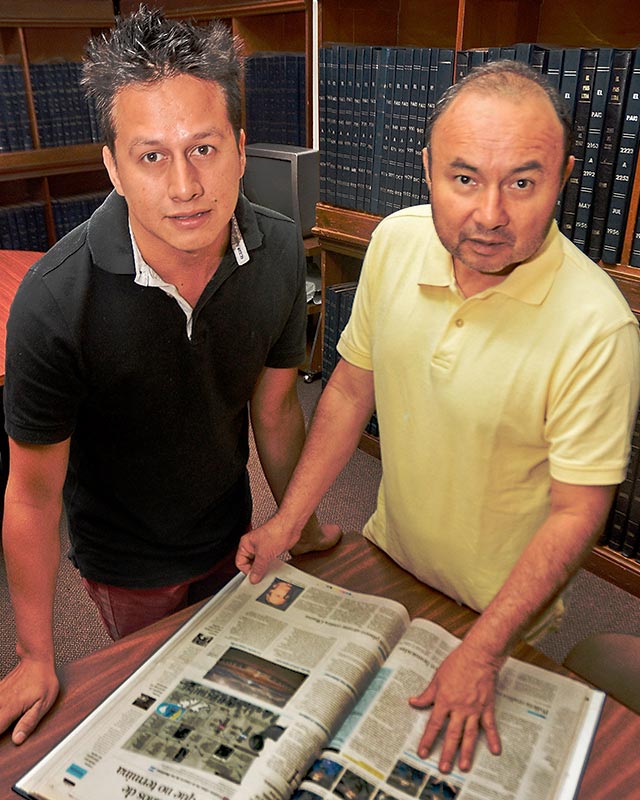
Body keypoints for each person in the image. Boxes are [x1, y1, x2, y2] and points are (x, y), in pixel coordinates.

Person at [237, 60, 640, 773]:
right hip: (387, 556)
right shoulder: (395, 240)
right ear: (427, 170)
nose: (490, 214)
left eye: (523, 183)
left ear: (563, 178)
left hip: (498, 613)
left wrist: (482, 653)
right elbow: (348, 392)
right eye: (464, 178)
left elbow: (579, 512)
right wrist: (289, 520)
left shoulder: (600, 329)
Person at [0, 6, 339, 746]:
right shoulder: (54, 302)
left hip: (231, 528)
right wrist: (34, 654)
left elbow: (276, 410)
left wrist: (300, 523)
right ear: (113, 168)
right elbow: (31, 495)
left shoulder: (281, 252)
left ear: (241, 150)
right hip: (127, 562)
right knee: (164, 709)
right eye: (151, 156)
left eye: (204, 148)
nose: (185, 185)